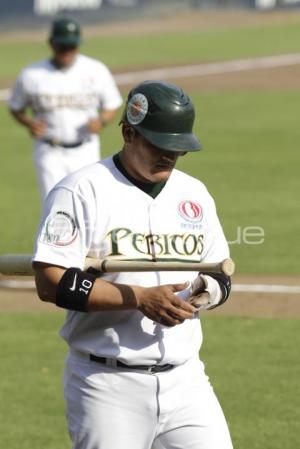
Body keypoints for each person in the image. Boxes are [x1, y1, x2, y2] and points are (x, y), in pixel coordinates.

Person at [33, 80, 233, 449]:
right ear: (128, 132)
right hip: (107, 386)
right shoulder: (80, 190)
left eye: (179, 147)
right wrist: (139, 298)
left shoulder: (195, 194)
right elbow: (50, 282)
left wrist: (201, 295)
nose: (169, 155)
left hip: (187, 382)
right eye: (159, 144)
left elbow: (220, 273)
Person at [9, 17, 123, 200]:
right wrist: (29, 122)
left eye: (72, 46)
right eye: (63, 46)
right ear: (51, 44)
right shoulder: (31, 74)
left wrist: (101, 121)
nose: (67, 51)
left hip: (86, 149)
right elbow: (16, 107)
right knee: (54, 204)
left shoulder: (95, 69)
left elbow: (112, 103)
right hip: (49, 152)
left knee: (89, 203)